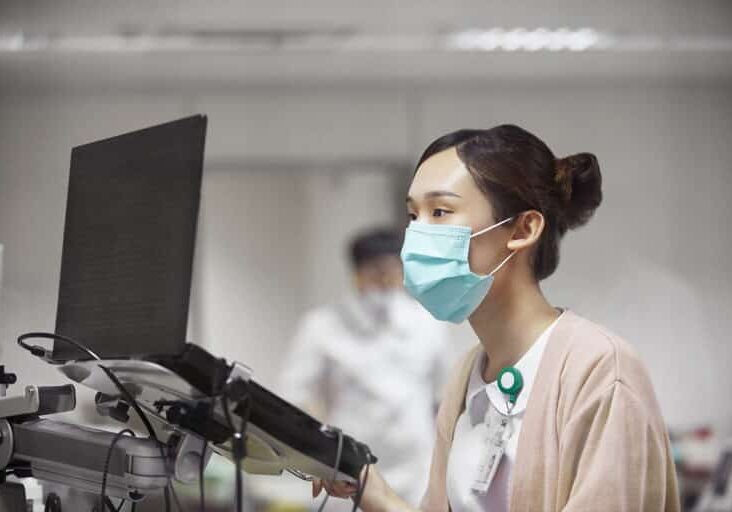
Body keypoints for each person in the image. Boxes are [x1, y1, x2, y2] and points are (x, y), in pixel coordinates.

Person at [313, 125, 680, 511]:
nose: (417, 236)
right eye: (412, 215)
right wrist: (378, 495)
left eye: (440, 212)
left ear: (523, 229)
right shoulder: (467, 375)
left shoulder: (599, 369)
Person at [280, 227, 451, 508]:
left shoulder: (429, 323)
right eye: (376, 272)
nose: (385, 281)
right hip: (348, 469)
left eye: (392, 272)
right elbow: (296, 394)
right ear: (357, 274)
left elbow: (443, 398)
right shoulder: (322, 326)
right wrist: (322, 446)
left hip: (416, 469)